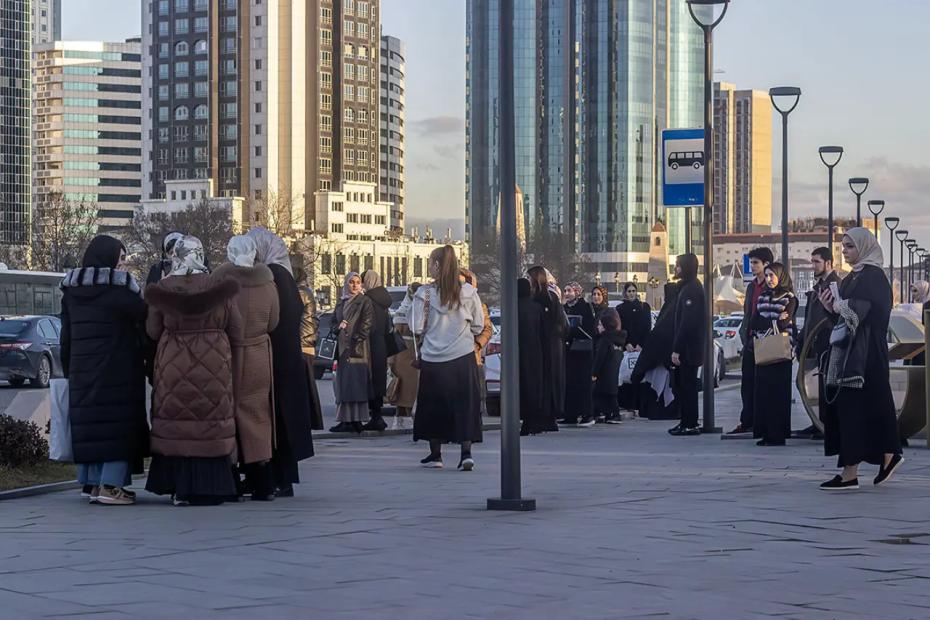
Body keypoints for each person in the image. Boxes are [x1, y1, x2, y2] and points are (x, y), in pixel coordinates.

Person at [144, 236, 243, 506]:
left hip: (173, 362)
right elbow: (236, 328)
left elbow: (153, 331)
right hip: (214, 361)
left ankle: (177, 486)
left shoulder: (163, 287)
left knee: (176, 418)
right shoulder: (219, 287)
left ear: (176, 255)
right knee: (210, 415)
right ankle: (212, 485)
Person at [61, 236, 149, 506]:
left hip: (81, 370)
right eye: (120, 259)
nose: (123, 265)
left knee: (91, 426)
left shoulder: (72, 292)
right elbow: (144, 319)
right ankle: (111, 486)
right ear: (109, 260)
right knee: (115, 425)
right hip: (118, 370)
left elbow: (67, 337)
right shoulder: (121, 292)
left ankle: (91, 483)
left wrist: (69, 370)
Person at [818, 228, 903, 490]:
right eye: (843, 246)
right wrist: (830, 307)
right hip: (852, 352)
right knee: (856, 408)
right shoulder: (853, 277)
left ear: (864, 247)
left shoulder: (874, 276)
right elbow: (847, 316)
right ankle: (858, 467)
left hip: (868, 353)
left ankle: (865, 465)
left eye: (850, 246)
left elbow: (871, 312)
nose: (844, 251)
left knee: (870, 404)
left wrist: (840, 306)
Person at [247, 227, 315, 496]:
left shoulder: (270, 276)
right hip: (289, 357)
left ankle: (276, 477)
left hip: (274, 356)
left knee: (275, 418)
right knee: (284, 419)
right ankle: (284, 478)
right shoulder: (285, 275)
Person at [212, 236, 280, 501]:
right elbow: (274, 321)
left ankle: (229, 478)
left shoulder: (220, 281)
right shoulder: (268, 283)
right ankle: (262, 480)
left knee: (226, 412)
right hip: (258, 353)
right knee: (258, 414)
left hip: (227, 352)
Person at [412, 245, 485, 470]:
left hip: (434, 358)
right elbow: (478, 324)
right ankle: (466, 453)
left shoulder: (424, 293)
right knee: (464, 406)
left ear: (436, 265)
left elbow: (415, 326)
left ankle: (436, 454)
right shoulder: (469, 292)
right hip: (462, 356)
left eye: (430, 263)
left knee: (434, 406)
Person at [751, 262, 797, 446]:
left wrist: (768, 322)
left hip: (781, 349)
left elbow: (785, 323)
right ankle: (766, 433)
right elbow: (755, 322)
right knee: (764, 393)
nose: (769, 279)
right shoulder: (762, 296)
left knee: (779, 393)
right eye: (767, 275)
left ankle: (778, 434)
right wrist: (774, 321)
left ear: (781, 276)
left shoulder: (789, 298)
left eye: (772, 275)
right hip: (763, 349)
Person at [728, 246, 774, 435]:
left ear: (766, 264)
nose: (753, 266)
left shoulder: (771, 286)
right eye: (752, 262)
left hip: (766, 341)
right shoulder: (751, 287)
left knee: (763, 385)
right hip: (749, 341)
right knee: (747, 383)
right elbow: (747, 312)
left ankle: (762, 422)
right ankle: (747, 421)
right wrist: (743, 333)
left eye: (756, 262)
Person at [795, 247, 840, 440]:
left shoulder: (835, 285)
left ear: (828, 263)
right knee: (807, 384)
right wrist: (801, 341)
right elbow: (810, 319)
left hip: (827, 342)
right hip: (812, 343)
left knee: (825, 385)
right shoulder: (817, 287)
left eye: (817, 262)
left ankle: (825, 424)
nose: (813, 265)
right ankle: (818, 422)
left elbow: (835, 315)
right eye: (812, 261)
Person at [331, 272, 375, 434]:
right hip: (342, 348)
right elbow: (333, 322)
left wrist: (357, 338)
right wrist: (338, 328)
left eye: (358, 282)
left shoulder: (364, 301)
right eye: (351, 282)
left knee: (357, 384)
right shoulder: (341, 302)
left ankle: (356, 420)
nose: (355, 285)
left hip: (358, 347)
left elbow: (367, 323)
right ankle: (344, 419)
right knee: (344, 384)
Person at [631, 282, 681, 421]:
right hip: (669, 359)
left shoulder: (669, 310)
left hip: (662, 360)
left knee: (660, 387)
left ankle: (661, 412)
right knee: (667, 388)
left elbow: (660, 333)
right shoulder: (674, 308)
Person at [668, 253, 706, 436]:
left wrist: (677, 349)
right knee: (683, 386)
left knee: (688, 387)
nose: (676, 269)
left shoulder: (691, 289)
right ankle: (685, 421)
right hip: (689, 348)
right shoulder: (688, 287)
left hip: (689, 349)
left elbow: (687, 322)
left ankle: (690, 423)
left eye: (678, 265)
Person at [528, 265, 567, 432]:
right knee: (550, 380)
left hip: (546, 343)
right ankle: (550, 416)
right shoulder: (551, 296)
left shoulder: (543, 298)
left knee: (545, 380)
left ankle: (546, 415)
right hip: (553, 344)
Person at [361, 269, 392, 432]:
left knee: (371, 378)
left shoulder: (368, 299)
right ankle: (377, 415)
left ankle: (375, 417)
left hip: (370, 343)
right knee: (379, 379)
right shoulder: (384, 299)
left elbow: (367, 324)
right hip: (382, 343)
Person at [294, 266, 325, 431]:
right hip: (308, 341)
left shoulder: (300, 293)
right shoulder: (307, 292)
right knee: (308, 385)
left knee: (304, 386)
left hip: (302, 342)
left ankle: (306, 421)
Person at [561, 282, 595, 425]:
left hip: (582, 351)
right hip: (568, 350)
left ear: (577, 292)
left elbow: (590, 327)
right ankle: (570, 414)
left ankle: (587, 413)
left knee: (582, 383)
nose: (567, 293)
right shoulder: (563, 308)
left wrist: (576, 328)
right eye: (565, 290)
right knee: (569, 383)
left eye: (569, 290)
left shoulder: (585, 307)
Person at [388, 282, 422, 428]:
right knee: (408, 388)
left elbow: (394, 332)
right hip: (411, 354)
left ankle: (400, 419)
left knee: (401, 388)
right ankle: (406, 418)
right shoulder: (417, 310)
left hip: (400, 354)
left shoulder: (401, 309)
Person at [460, 269, 493, 417]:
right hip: (450, 354)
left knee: (472, 393)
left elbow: (486, 329)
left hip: (472, 355)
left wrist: (477, 344)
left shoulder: (478, 304)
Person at [516, 278, 546, 434]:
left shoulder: (513, 307)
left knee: (520, 387)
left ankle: (524, 421)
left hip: (517, 353)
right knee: (534, 386)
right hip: (535, 352)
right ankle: (534, 421)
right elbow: (542, 331)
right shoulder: (537, 307)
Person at [616, 282, 651, 412]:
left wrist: (641, 344)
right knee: (626, 375)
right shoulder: (620, 308)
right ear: (625, 293)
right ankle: (627, 404)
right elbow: (620, 328)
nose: (631, 294)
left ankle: (640, 404)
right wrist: (626, 343)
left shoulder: (644, 307)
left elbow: (647, 327)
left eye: (633, 291)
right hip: (627, 347)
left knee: (639, 376)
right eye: (629, 291)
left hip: (640, 347)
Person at [589, 308, 626, 426]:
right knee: (611, 396)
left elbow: (599, 358)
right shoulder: (618, 339)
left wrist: (594, 372)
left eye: (600, 325)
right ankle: (611, 414)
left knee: (598, 395)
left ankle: (607, 414)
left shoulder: (604, 340)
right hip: (613, 373)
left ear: (605, 326)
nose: (598, 327)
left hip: (604, 373)